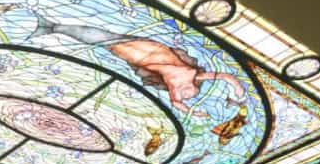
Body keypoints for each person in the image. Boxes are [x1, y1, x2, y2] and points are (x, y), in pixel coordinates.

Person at [32, 15, 245, 115]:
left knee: (109, 42)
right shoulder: (194, 76)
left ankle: (54, 28)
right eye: (191, 94)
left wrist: (192, 112)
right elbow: (226, 77)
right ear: (195, 88)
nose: (187, 95)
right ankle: (54, 26)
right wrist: (238, 90)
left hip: (142, 60)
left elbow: (177, 104)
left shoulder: (173, 89)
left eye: (188, 97)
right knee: (114, 37)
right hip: (157, 49)